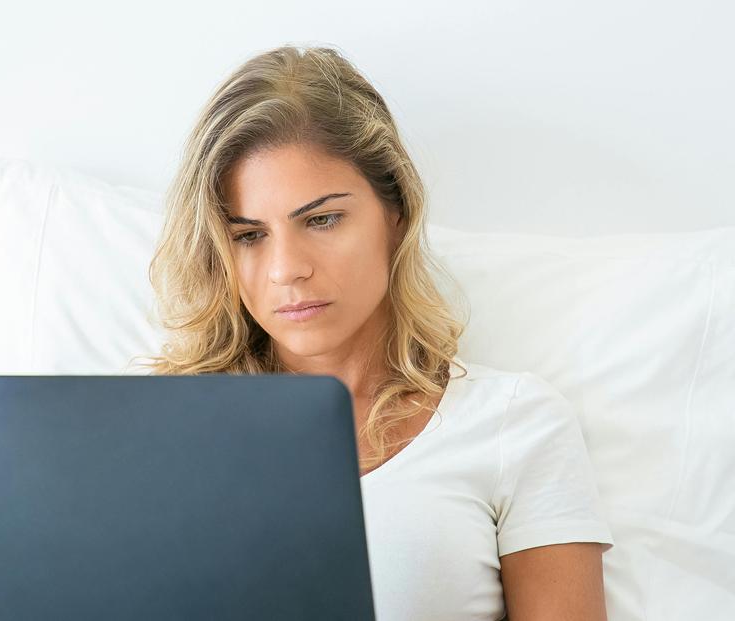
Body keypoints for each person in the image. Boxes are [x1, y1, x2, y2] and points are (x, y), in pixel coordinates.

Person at [133, 44, 614, 621]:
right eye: (248, 234)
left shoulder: (515, 424)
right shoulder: (153, 421)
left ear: (397, 215)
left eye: (322, 219)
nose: (288, 268)